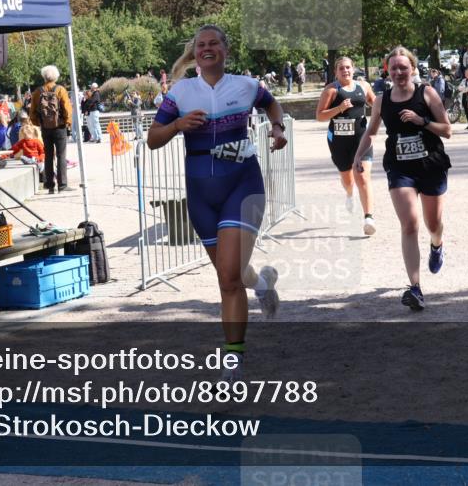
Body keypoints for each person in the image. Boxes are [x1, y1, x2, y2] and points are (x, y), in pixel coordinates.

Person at [148, 24, 286, 380]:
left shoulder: (245, 85)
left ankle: (233, 360)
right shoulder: (181, 91)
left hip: (243, 185)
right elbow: (152, 139)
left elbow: (272, 105)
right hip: (201, 195)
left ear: (225, 49)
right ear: (194, 53)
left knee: (227, 278)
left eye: (214, 44)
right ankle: (262, 283)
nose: (207, 49)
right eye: (201, 45)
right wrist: (178, 124)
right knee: (233, 274)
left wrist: (278, 129)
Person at [354, 47, 452, 311]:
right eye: (393, 68)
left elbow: (447, 131)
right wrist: (357, 157)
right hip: (400, 168)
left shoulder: (427, 93)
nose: (398, 72)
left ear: (412, 68)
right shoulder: (381, 100)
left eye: (403, 67)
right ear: (387, 70)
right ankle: (415, 288)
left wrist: (422, 121)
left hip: (430, 164)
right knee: (409, 224)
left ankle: (437, 244)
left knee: (434, 224)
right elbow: (372, 131)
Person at [315, 57, 378, 236]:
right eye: (341, 68)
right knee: (348, 180)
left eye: (348, 67)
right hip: (339, 142)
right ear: (336, 72)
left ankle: (369, 218)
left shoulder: (363, 86)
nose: (346, 71)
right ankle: (350, 194)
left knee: (363, 176)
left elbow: (375, 104)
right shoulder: (331, 90)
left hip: (361, 139)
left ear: (353, 69)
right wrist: (339, 108)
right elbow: (320, 116)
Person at [30, 64, 74, 194]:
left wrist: (39, 123)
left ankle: (49, 185)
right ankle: (62, 185)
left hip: (45, 127)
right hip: (59, 127)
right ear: (56, 76)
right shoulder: (60, 90)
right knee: (61, 155)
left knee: (48, 156)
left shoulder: (38, 92)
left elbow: (32, 111)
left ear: (44, 76)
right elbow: (67, 108)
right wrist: (68, 122)